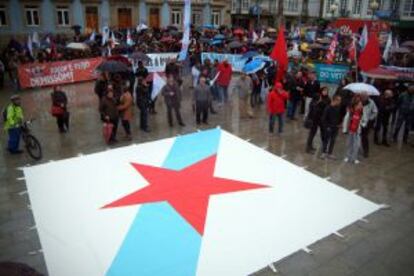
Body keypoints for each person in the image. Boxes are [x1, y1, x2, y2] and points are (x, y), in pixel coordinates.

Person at [305, 87, 330, 154]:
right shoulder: (317, 97)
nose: (325, 92)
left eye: (326, 91)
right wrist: (318, 103)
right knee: (312, 133)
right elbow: (312, 108)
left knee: (323, 134)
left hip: (322, 119)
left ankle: (324, 148)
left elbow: (327, 107)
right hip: (314, 119)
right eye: (324, 91)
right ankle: (308, 147)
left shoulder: (328, 99)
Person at [343, 97, 367, 164]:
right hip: (350, 130)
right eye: (360, 105)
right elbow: (346, 120)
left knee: (357, 145)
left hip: (357, 131)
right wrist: (345, 129)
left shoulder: (362, 112)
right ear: (356, 105)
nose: (361, 106)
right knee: (349, 144)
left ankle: (354, 158)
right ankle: (348, 156)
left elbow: (365, 120)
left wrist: (363, 124)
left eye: (361, 105)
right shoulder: (351, 112)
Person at [320, 95, 342, 159]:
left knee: (333, 140)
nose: (340, 102)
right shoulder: (328, 108)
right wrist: (327, 127)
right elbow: (323, 119)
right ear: (335, 100)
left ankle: (330, 153)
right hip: (329, 128)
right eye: (339, 100)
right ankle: (323, 153)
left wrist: (339, 124)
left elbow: (338, 117)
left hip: (335, 127)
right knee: (326, 140)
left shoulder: (338, 107)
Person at [360, 92, 378, 158]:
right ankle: (355, 149)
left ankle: (366, 151)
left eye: (365, 96)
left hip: (367, 122)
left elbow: (375, 111)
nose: (364, 98)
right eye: (362, 96)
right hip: (358, 121)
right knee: (356, 136)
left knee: (364, 137)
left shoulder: (371, 102)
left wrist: (371, 118)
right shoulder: (358, 100)